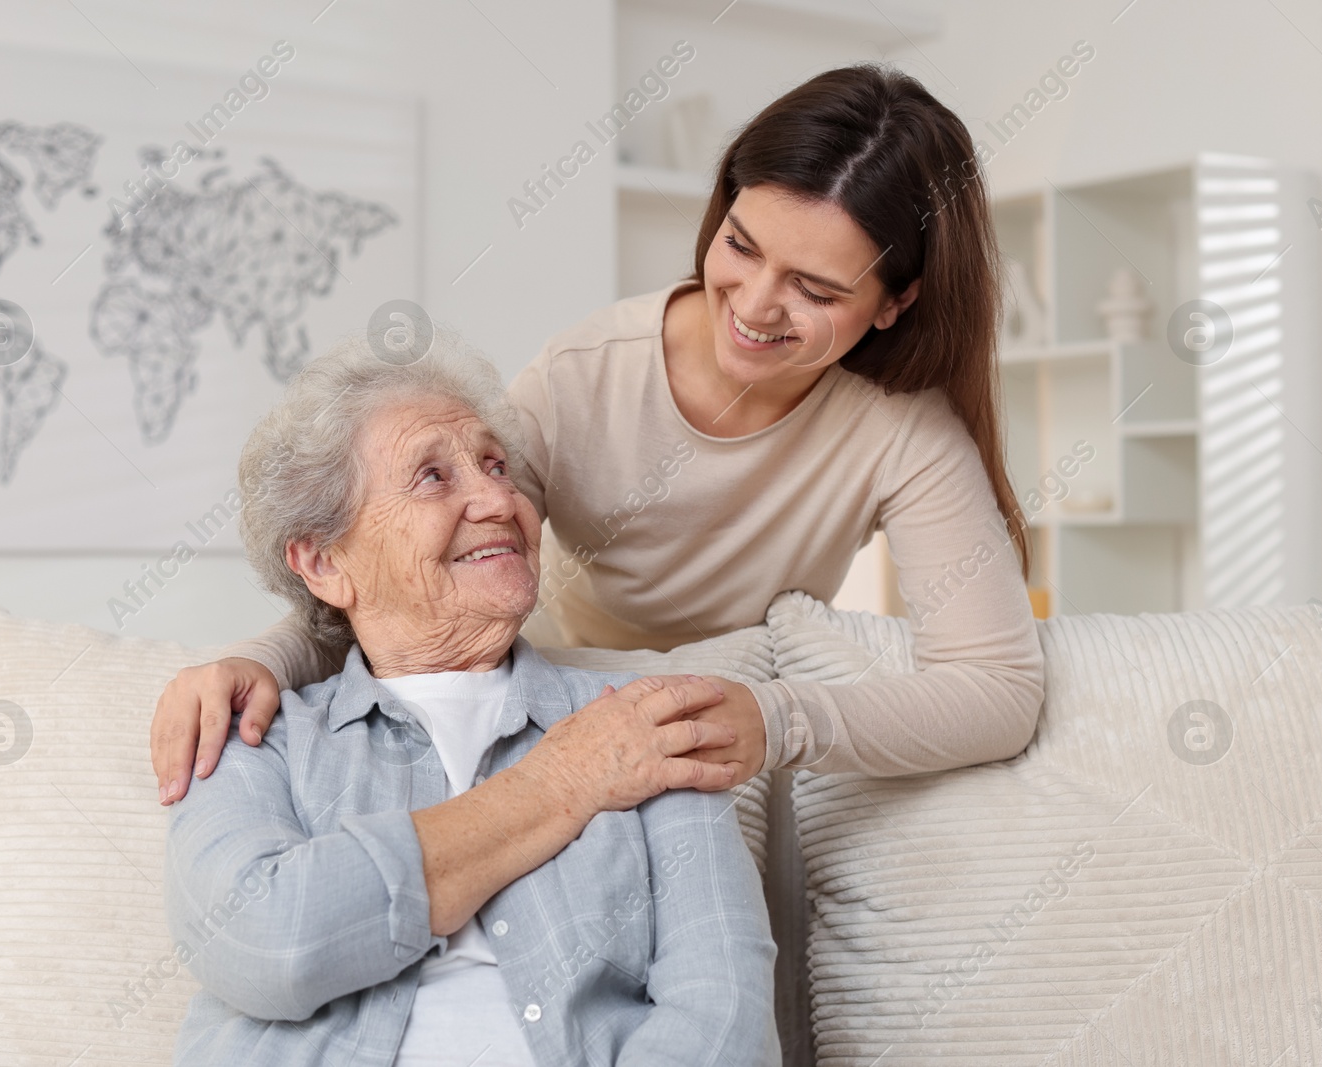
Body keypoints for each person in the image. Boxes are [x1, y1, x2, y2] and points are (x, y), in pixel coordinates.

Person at [152, 61, 1044, 809]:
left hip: (725, 739)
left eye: (814, 291)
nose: (756, 304)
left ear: (897, 301)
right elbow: (411, 568)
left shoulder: (904, 433)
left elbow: (1000, 689)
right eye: (739, 244)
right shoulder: (589, 373)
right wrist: (256, 658)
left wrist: (777, 720)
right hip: (547, 717)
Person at [164, 332, 778, 1065]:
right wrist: (562, 780)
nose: (499, 499)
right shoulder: (254, 737)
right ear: (325, 561)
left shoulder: (647, 724)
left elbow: (724, 1016)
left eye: (496, 466)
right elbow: (269, 939)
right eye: (432, 477)